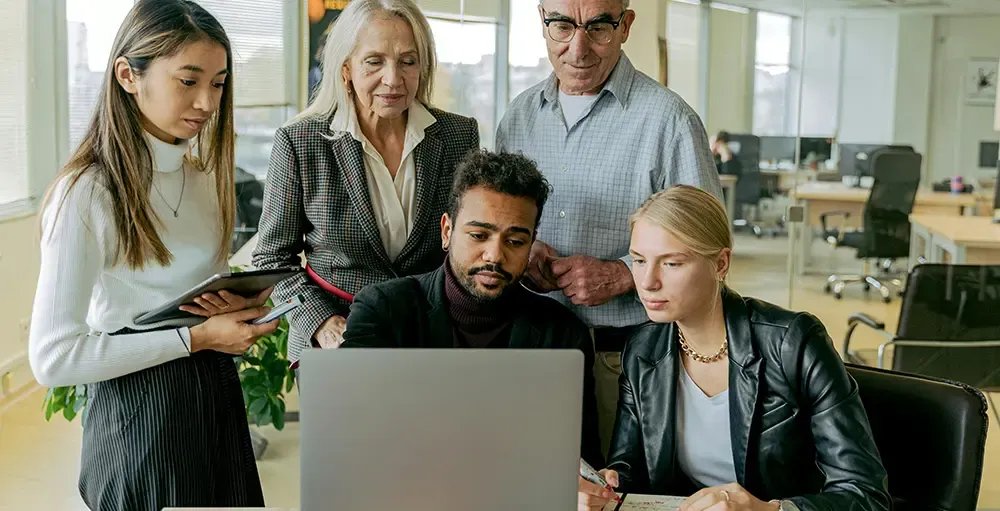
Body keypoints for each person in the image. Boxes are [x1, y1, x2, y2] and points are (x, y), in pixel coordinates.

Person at [28, 1, 278, 508]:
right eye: (188, 81)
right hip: (141, 417)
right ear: (128, 75)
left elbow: (193, 289)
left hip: (216, 398)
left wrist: (235, 311)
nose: (207, 102)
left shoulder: (205, 179)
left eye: (218, 82)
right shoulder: (87, 193)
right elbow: (52, 357)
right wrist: (196, 337)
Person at [495, 0, 723, 455]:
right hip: (532, 352)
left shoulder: (670, 122)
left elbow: (710, 251)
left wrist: (623, 274)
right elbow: (498, 224)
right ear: (541, 22)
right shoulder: (518, 117)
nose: (578, 47)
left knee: (614, 490)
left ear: (626, 26)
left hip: (623, 360)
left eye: (598, 26)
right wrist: (522, 248)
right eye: (561, 25)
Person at [577, 186, 890, 511]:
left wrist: (767, 510)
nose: (647, 281)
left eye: (671, 263)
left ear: (721, 264)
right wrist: (606, 485)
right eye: (639, 261)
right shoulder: (642, 350)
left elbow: (865, 496)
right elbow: (630, 470)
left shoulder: (793, 342)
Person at [253, 0, 480, 372]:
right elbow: (272, 260)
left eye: (408, 61)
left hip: (429, 337)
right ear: (346, 70)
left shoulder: (458, 135)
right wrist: (322, 324)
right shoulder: (301, 142)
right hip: (336, 342)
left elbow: (465, 243)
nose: (393, 79)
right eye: (374, 61)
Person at [342, 149, 603, 468]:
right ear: (447, 231)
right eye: (479, 235)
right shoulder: (382, 310)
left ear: (531, 242)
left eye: (515, 241)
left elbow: (582, 461)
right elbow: (356, 440)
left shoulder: (561, 334)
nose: (494, 255)